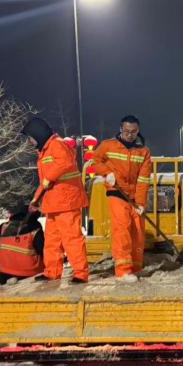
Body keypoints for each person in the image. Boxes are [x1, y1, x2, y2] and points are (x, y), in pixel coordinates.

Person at [22, 117, 89, 283]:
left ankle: (81, 273)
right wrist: (36, 199)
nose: (29, 142)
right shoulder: (45, 150)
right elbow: (45, 182)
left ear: (38, 134)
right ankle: (52, 271)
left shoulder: (57, 145)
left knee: (72, 239)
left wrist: (48, 179)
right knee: (52, 241)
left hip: (67, 202)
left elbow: (64, 163)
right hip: (54, 204)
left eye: (30, 137)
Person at [90, 114, 152, 283]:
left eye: (133, 131)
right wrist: (107, 173)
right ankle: (123, 271)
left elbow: (143, 179)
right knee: (122, 229)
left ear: (138, 131)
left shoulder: (144, 151)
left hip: (134, 197)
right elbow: (95, 161)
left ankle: (136, 267)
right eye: (126, 131)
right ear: (120, 129)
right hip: (117, 192)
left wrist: (140, 203)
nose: (130, 135)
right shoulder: (108, 145)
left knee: (138, 231)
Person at [0, 206, 45, 285]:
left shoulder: (3, 227)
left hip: (5, 274)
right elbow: (43, 250)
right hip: (31, 274)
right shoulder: (35, 227)